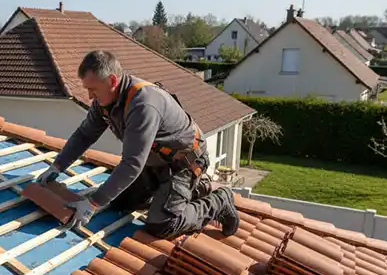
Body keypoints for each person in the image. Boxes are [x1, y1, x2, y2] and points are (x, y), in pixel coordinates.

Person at [36, 50, 239, 239]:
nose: (90, 97)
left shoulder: (143, 105)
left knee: (163, 223)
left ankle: (219, 200)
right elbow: (84, 135)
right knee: (119, 202)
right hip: (154, 162)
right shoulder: (105, 101)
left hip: (182, 163)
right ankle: (184, 192)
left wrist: (93, 203)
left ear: (112, 81)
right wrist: (57, 165)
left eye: (93, 89)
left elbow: (132, 163)